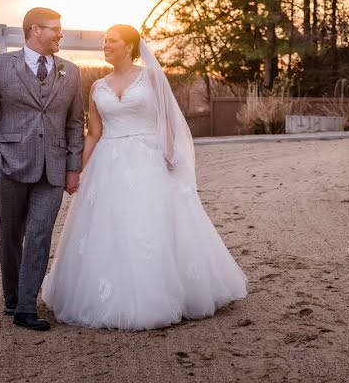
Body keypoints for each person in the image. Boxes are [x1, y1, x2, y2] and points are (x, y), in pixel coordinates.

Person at [41, 24, 247, 330]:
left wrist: (170, 154)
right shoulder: (98, 87)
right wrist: (78, 171)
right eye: (104, 41)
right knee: (110, 226)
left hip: (148, 158)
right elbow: (94, 134)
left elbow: (169, 121)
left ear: (129, 46)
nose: (105, 46)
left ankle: (163, 293)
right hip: (108, 163)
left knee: (150, 223)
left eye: (112, 41)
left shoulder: (150, 77)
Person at [0, 7, 85, 331]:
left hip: (53, 169)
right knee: (11, 235)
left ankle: (26, 307)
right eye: (55, 29)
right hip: (9, 166)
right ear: (35, 30)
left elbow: (76, 122)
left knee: (39, 235)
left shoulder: (71, 72)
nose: (60, 35)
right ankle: (11, 299)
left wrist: (73, 166)